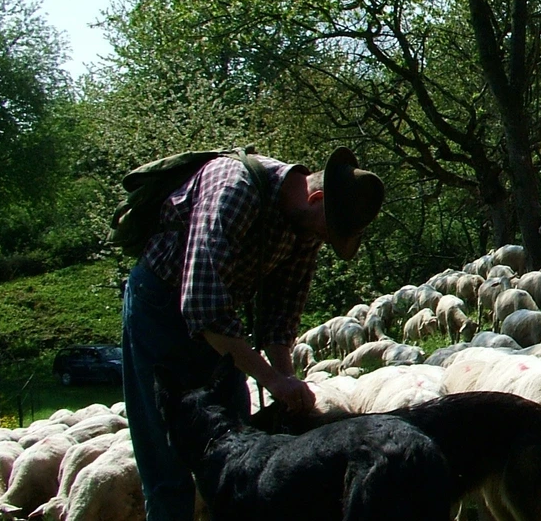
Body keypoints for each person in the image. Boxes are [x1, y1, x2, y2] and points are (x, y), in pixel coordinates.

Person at [121, 146, 384, 521]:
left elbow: (282, 312)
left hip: (220, 321)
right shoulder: (235, 189)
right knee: (166, 455)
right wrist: (272, 380)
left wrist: (288, 381)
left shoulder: (305, 226)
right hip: (160, 309)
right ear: (316, 199)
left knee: (236, 449)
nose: (324, 239)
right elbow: (202, 307)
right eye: (327, 231)